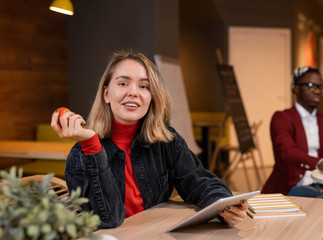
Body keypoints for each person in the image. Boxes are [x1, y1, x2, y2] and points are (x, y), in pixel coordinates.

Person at [50, 49, 248, 229]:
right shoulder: (81, 153)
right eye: (123, 83)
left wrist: (224, 205)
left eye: (144, 86)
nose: (134, 92)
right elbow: (107, 219)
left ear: (152, 96)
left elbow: (199, 181)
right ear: (106, 94)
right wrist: (91, 144)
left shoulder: (167, 141)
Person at [262, 66, 323, 213]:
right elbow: (287, 152)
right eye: (310, 85)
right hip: (295, 186)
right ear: (295, 88)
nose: (317, 90)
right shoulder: (282, 118)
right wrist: (320, 163)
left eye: (321, 86)